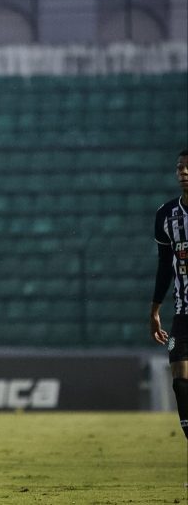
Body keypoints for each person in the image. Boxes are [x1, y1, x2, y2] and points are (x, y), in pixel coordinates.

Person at [150, 148, 188, 440]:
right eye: (180, 168)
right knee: (180, 382)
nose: (183, 173)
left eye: (187, 168)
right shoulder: (167, 215)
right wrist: (154, 310)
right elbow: (165, 266)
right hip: (183, 312)